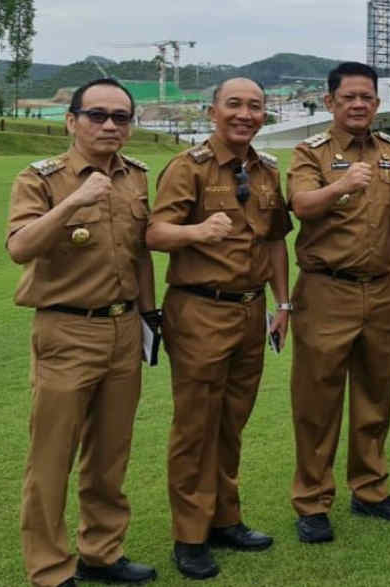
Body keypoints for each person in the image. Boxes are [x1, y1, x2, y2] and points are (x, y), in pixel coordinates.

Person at [7, 78, 157, 586]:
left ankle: (102, 551)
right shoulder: (40, 179)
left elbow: (140, 256)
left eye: (121, 116)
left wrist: (150, 316)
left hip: (122, 328)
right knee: (52, 458)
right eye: (98, 115)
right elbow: (20, 247)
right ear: (72, 120)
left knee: (110, 454)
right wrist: (72, 203)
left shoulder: (136, 177)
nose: (110, 125)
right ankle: (50, 568)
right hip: (66, 330)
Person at [147, 78, 292, 580]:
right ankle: (190, 535)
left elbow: (275, 242)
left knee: (232, 422)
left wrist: (283, 304)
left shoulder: (268, 170)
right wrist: (197, 231)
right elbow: (155, 232)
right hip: (200, 309)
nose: (245, 113)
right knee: (196, 426)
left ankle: (224, 518)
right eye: (235, 104)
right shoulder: (188, 168)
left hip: (251, 312)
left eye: (255, 105)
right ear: (213, 111)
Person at [287, 62, 390, 545]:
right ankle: (313, 500)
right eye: (349, 98)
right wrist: (341, 185)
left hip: (380, 290)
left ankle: (371, 489)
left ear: (377, 103)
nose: (358, 104)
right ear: (330, 103)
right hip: (326, 289)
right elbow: (300, 205)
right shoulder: (310, 151)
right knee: (317, 401)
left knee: (374, 396)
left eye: (367, 97)